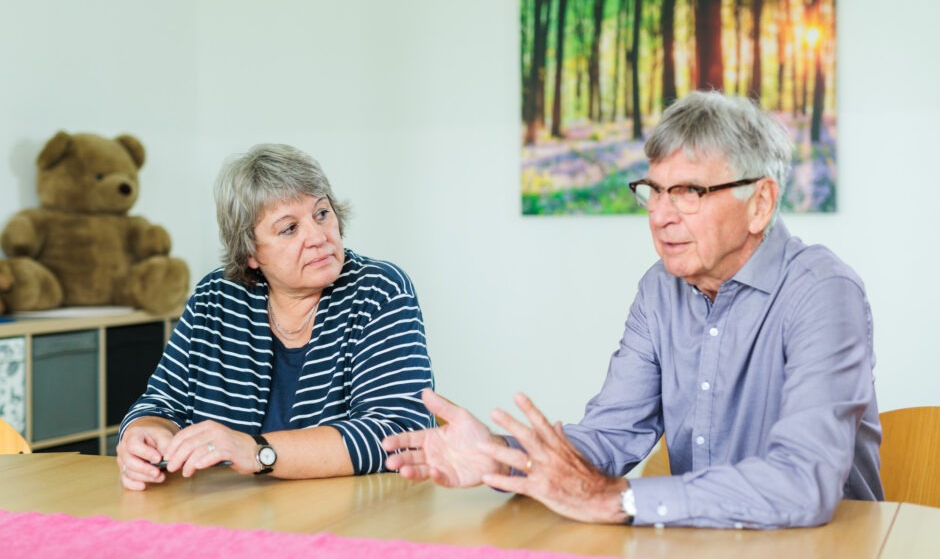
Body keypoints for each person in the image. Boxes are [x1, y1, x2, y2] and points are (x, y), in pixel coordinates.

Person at [382, 91, 882, 529]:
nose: (662, 216)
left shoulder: (823, 290)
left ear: (760, 203)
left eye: (689, 192)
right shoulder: (660, 289)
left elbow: (803, 482)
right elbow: (610, 436)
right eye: (655, 191)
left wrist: (618, 499)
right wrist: (496, 456)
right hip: (703, 542)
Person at [117, 143, 434, 490]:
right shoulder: (215, 297)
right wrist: (143, 431)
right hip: (227, 515)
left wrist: (257, 452)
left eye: (322, 213)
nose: (318, 237)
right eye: (289, 229)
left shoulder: (380, 290)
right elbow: (162, 401)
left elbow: (397, 432)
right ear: (251, 252)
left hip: (348, 519)